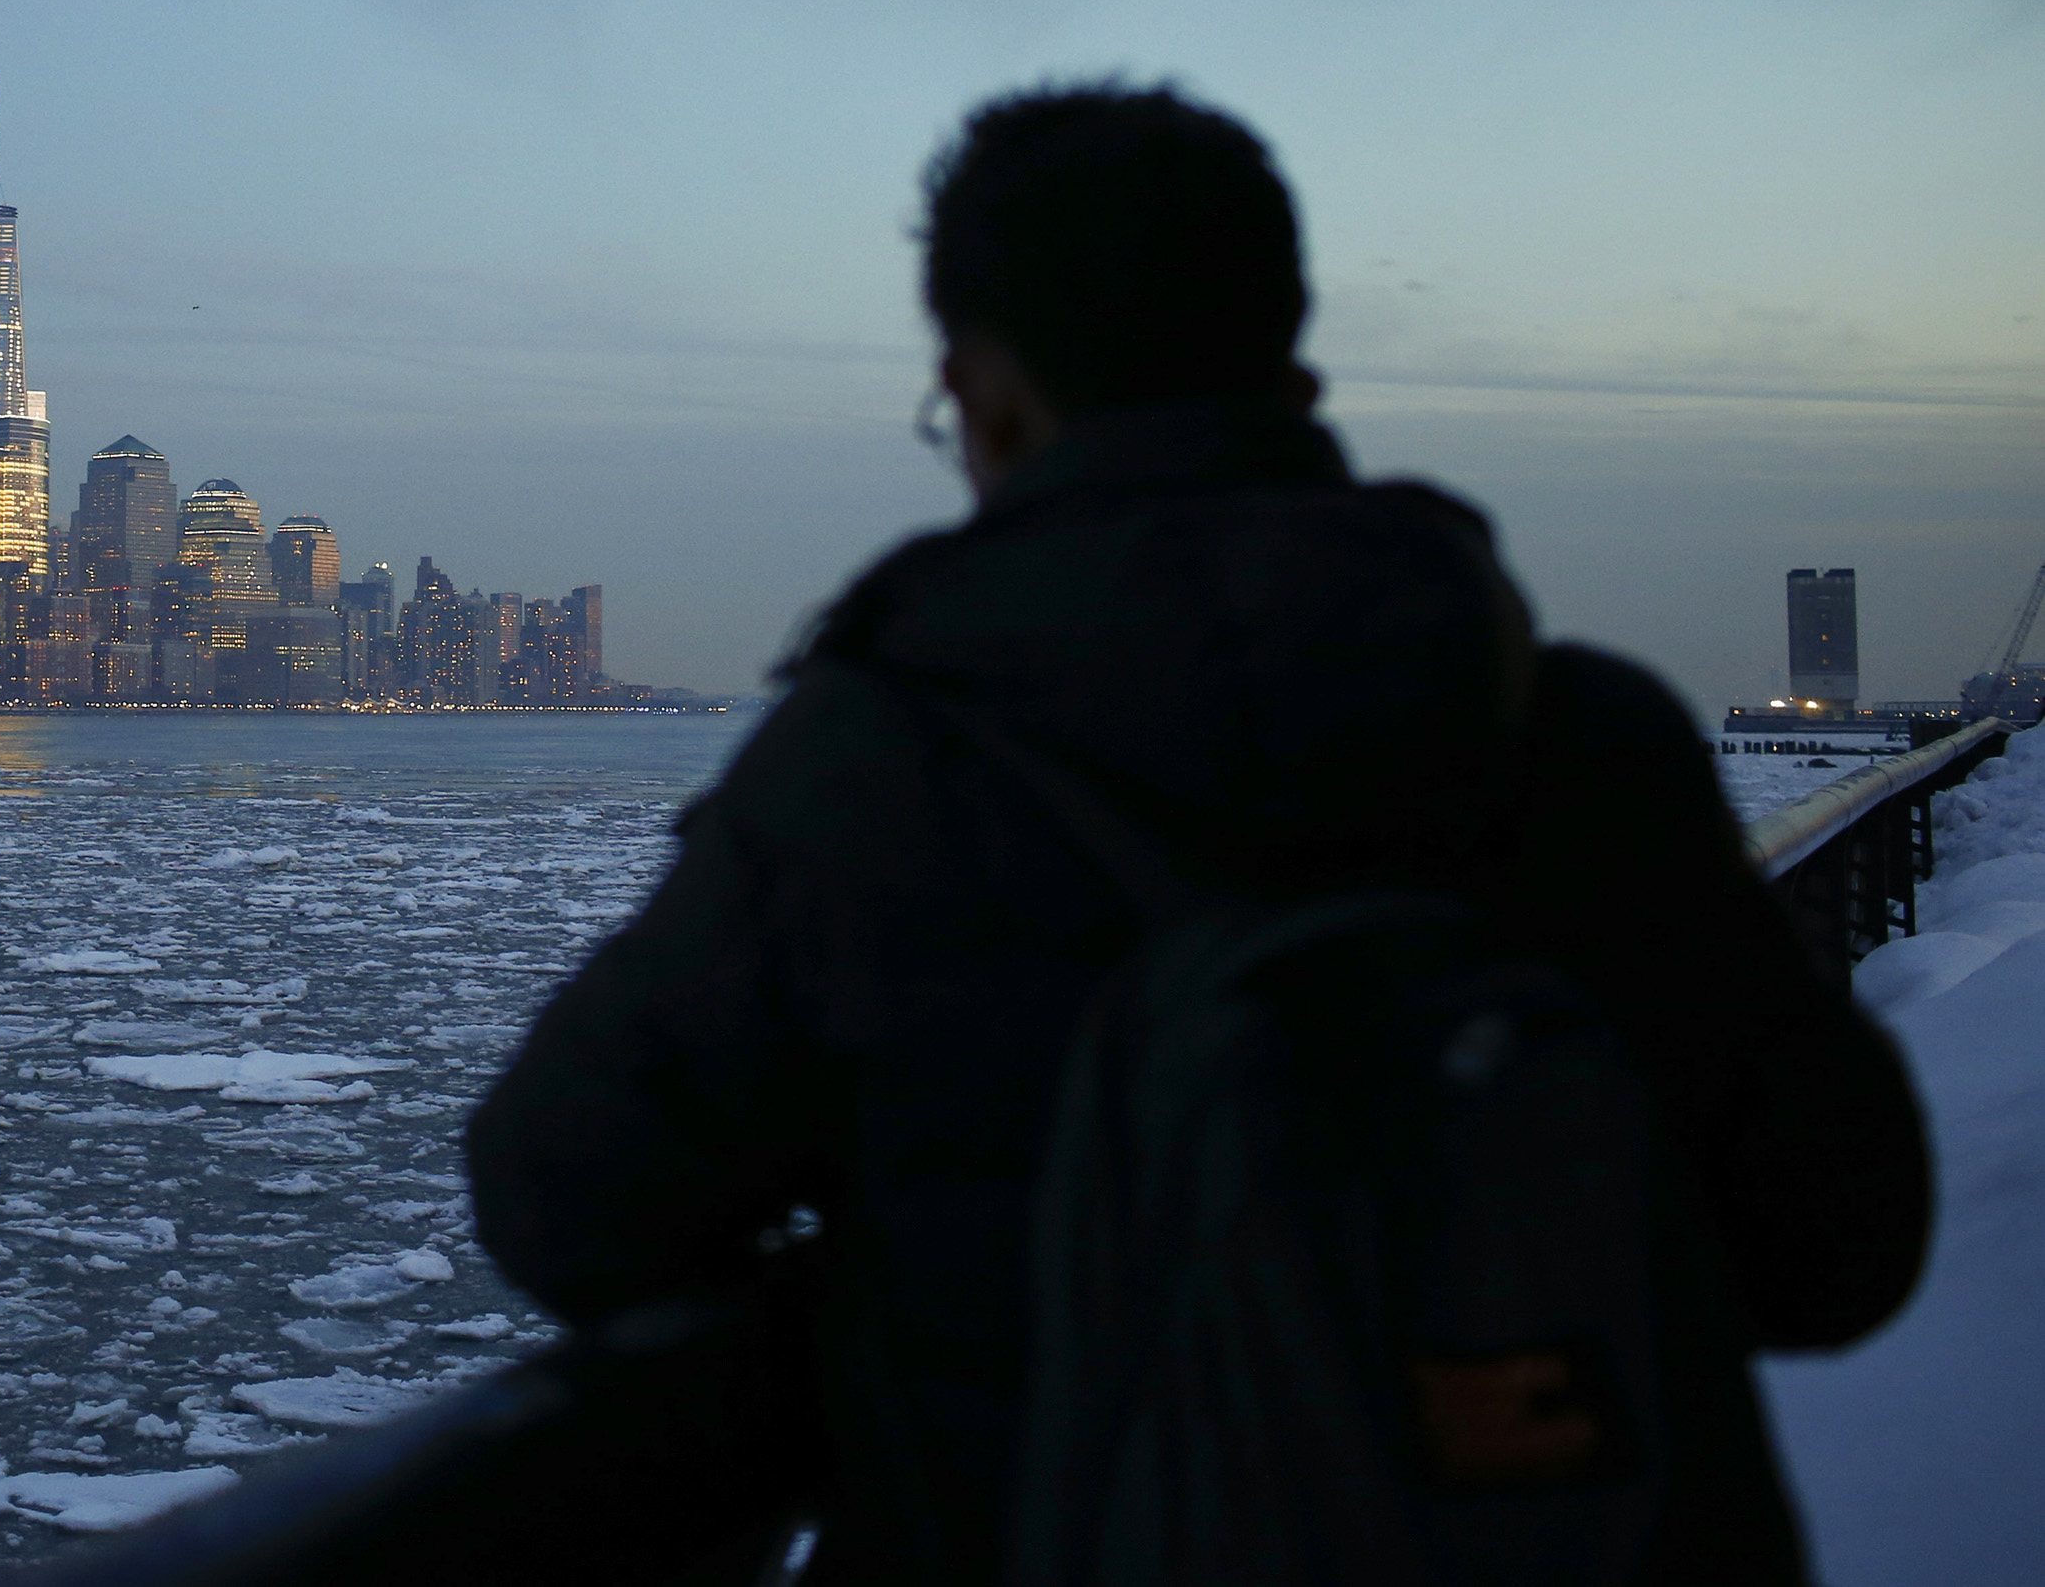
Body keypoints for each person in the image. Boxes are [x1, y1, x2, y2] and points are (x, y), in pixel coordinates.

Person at [465, 84, 1929, 1583]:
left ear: (991, 398)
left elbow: (562, 1191)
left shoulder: (875, 776)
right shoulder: (1575, 740)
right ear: (1291, 372)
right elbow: (1834, 1245)